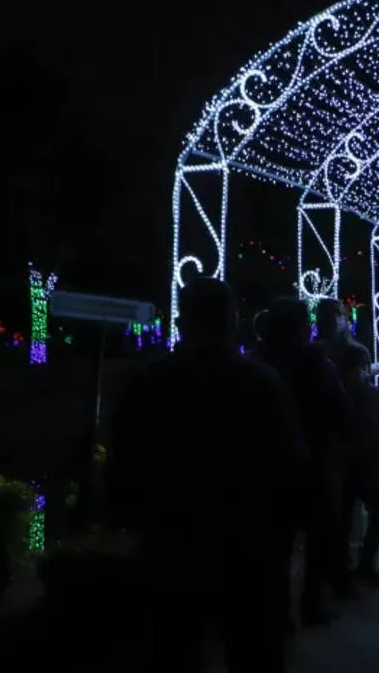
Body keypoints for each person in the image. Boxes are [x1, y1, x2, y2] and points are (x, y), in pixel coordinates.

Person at [107, 278, 306, 672]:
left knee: (173, 649)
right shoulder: (261, 382)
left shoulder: (149, 382)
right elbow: (290, 463)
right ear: (234, 321)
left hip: (172, 541)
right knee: (254, 652)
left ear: (183, 322)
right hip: (249, 542)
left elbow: (123, 465)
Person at [257, 297, 354, 622]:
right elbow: (340, 410)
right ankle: (312, 603)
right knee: (319, 536)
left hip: (269, 468)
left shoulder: (260, 363)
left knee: (276, 545)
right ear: (302, 328)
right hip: (315, 462)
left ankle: (276, 611)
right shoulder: (317, 364)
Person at [335, 339, 379, 589]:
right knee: (377, 516)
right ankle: (366, 566)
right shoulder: (376, 396)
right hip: (367, 466)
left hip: (345, 466)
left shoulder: (337, 394)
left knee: (343, 520)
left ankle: (343, 571)